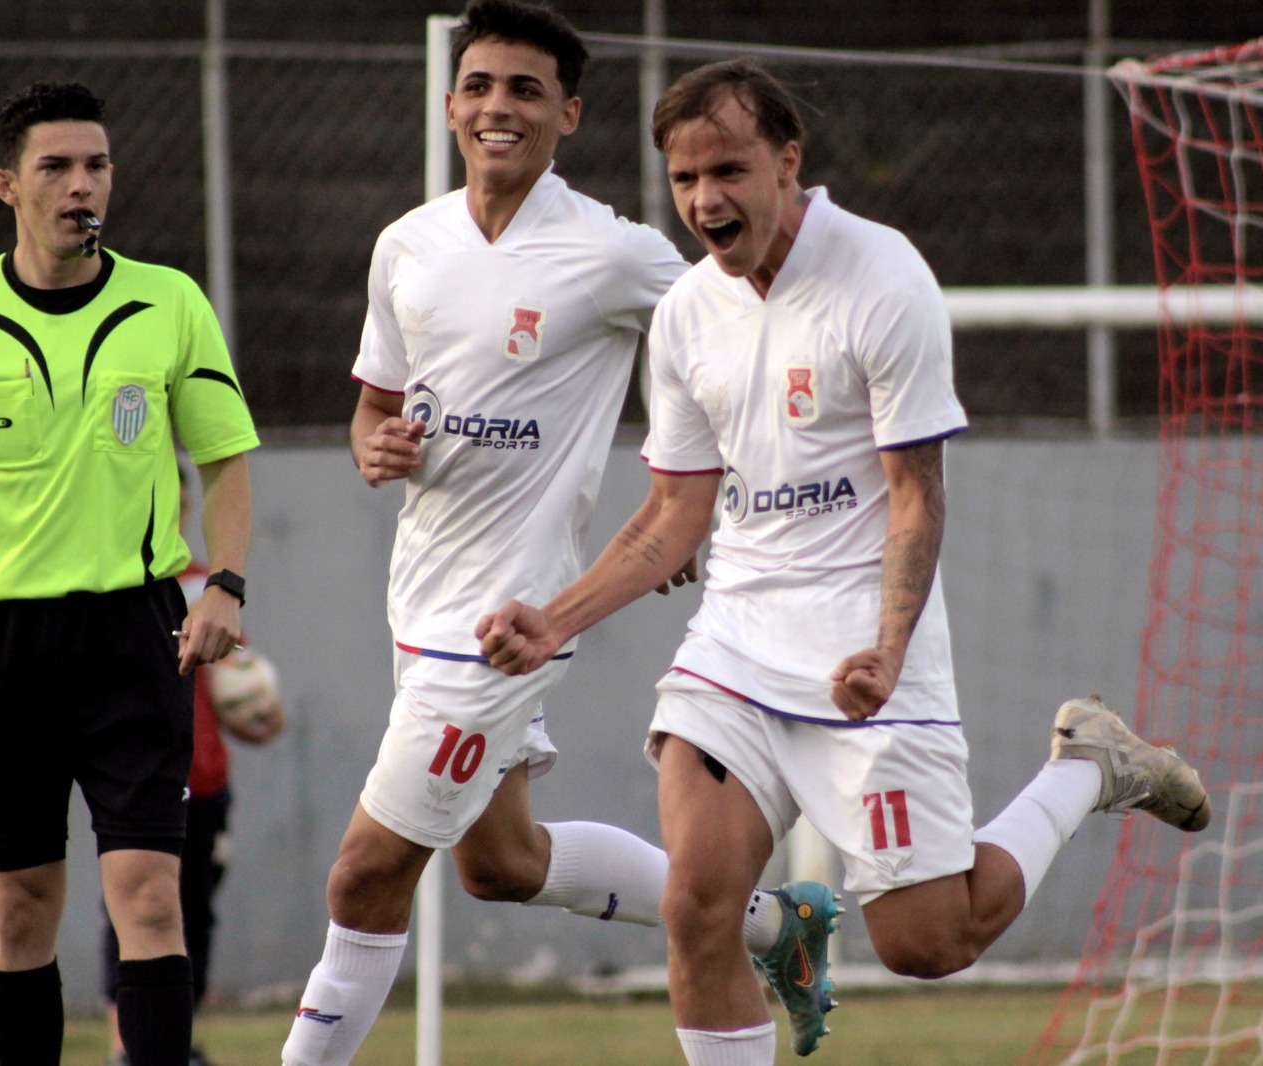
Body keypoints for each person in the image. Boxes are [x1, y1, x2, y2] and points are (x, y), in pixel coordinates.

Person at [477, 58, 1214, 1065]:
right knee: (697, 904)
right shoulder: (690, 312)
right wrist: (552, 619)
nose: (705, 200)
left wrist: (885, 645)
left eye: (728, 170)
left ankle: (1087, 769)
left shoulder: (881, 276)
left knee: (927, 941)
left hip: (864, 655)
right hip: (733, 650)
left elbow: (917, 493)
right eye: (685, 179)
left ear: (788, 160)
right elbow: (672, 514)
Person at [281, 7, 835, 1065]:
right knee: (501, 861)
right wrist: (373, 445)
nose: (500, 107)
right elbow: (374, 408)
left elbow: (737, 346)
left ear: (568, 115)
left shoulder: (615, 252)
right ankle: (776, 926)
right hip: (418, 600)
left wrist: (685, 510)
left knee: (362, 872)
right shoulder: (407, 245)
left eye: (526, 90)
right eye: (481, 85)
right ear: (450, 103)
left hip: (506, 624)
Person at [0, 81, 258, 1066]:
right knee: (22, 903)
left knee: (149, 893)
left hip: (134, 633)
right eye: (57, 167)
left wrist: (226, 585)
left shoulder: (167, 303)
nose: (82, 185)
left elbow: (224, 464)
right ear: (8, 184)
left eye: (97, 165)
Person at [102, 467, 286, 1066]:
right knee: (137, 904)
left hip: (204, 778)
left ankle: (172, 1043)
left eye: (184, 502)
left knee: (194, 912)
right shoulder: (109, 581)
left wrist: (257, 719)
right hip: (136, 774)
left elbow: (230, 687)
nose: (176, 512)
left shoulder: (211, 588)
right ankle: (123, 1047)